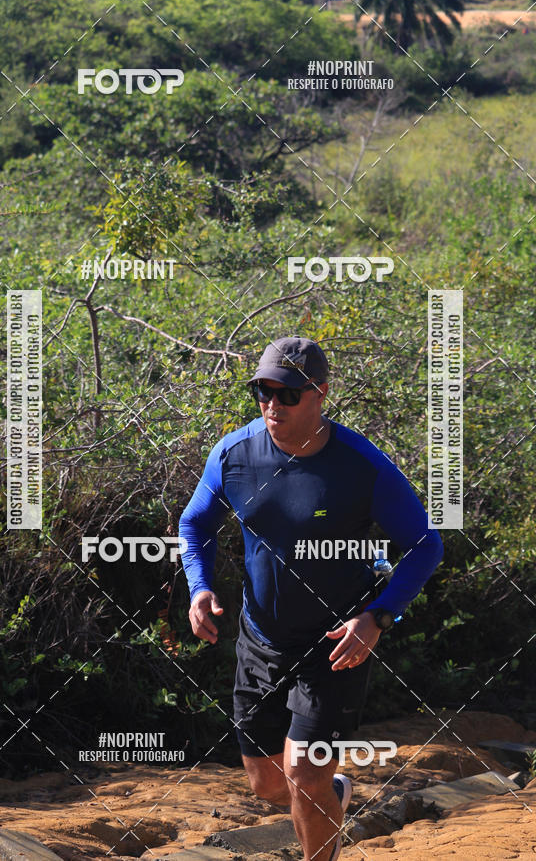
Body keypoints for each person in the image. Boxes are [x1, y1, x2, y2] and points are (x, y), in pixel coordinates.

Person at [179, 336, 443, 861]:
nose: (272, 405)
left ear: (320, 393)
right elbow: (195, 524)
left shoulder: (361, 466)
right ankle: (333, 793)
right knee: (269, 785)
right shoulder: (234, 455)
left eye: (288, 395)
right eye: (262, 392)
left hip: (336, 644)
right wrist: (200, 586)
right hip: (261, 640)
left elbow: (425, 545)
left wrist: (377, 618)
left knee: (303, 775)